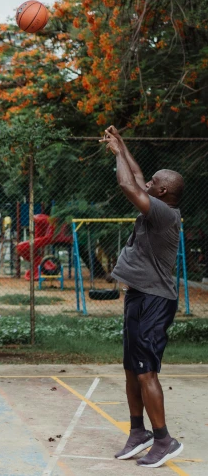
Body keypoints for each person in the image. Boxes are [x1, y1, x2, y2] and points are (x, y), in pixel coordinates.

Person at [101, 126, 185, 468]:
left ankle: (164, 439)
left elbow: (127, 184)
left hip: (154, 300)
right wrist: (121, 145)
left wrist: (119, 155)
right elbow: (135, 177)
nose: (146, 182)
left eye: (152, 182)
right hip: (139, 297)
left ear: (162, 191)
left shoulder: (164, 214)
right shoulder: (158, 204)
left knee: (146, 371)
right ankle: (139, 433)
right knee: (131, 369)